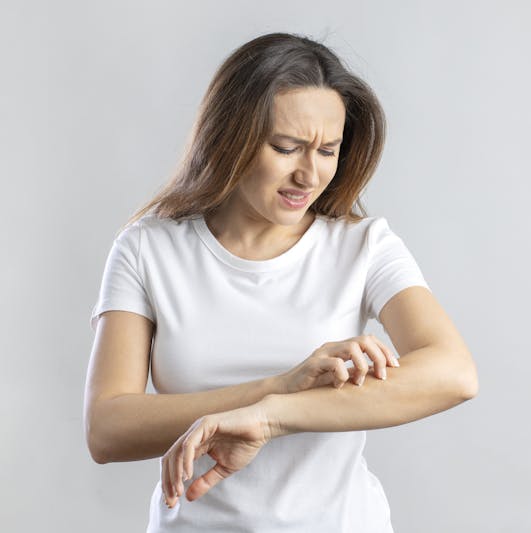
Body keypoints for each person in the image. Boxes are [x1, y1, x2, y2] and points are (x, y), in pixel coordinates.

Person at [83, 31, 479, 533]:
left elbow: (454, 373)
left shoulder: (363, 246)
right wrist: (276, 385)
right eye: (287, 148)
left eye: (328, 150)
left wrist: (273, 415)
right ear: (230, 138)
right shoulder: (147, 248)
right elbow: (107, 428)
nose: (309, 176)